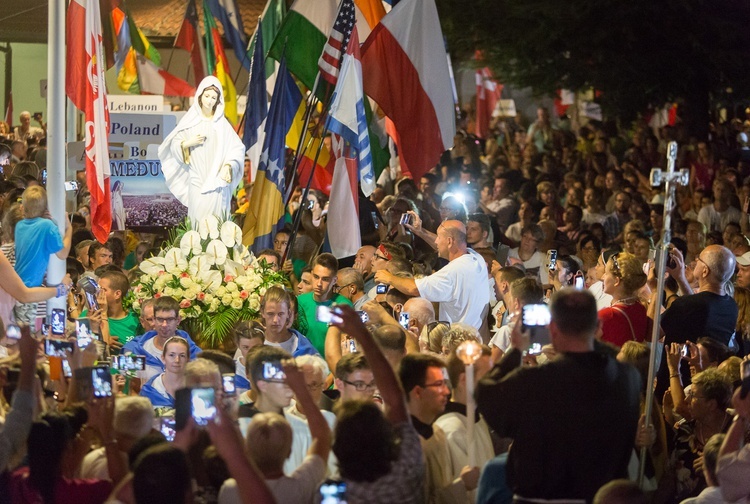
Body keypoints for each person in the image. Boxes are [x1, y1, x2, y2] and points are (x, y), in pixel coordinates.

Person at [476, 289, 641, 502]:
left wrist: (516, 351)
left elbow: (486, 394)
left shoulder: (536, 381)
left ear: (552, 329)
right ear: (599, 327)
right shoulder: (628, 377)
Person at [328, 304, 426, 503]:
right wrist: (362, 332)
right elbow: (395, 400)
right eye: (359, 384)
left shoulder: (341, 494)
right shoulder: (408, 464)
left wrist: (334, 325)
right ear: (385, 434)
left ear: (339, 448)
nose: (368, 389)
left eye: (370, 383)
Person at [655, 245, 738, 401]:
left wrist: (654, 287)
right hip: (705, 388)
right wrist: (680, 278)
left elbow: (652, 333)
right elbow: (700, 304)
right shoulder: (731, 307)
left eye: (698, 259)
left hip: (675, 386)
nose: (694, 261)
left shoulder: (686, 305)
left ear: (705, 271)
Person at [158, 76, 245, 223]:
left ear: (218, 100)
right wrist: (187, 143)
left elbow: (237, 149)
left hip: (217, 182)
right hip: (197, 180)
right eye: (207, 96)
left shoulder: (222, 125)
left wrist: (229, 166)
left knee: (217, 221)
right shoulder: (190, 122)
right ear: (200, 96)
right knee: (198, 221)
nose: (210, 100)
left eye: (214, 97)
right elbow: (174, 144)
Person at [375, 220, 489, 328]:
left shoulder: (452, 272)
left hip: (457, 339)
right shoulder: (476, 258)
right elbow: (450, 248)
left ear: (449, 241)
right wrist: (421, 232)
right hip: (474, 335)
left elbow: (414, 288)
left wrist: (389, 277)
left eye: (439, 237)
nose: (436, 241)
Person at [435, 346, 495, 489]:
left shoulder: (478, 418)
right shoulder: (451, 430)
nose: (494, 383)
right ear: (464, 379)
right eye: (488, 376)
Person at [13, 185, 72, 325]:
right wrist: (69, 229)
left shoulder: (19, 225)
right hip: (31, 291)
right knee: (30, 339)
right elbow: (63, 254)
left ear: (23, 207)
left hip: (19, 286)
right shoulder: (47, 226)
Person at [123, 296, 201, 380]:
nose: (164, 325)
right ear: (154, 320)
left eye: (170, 319)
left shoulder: (193, 352)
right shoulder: (137, 349)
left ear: (178, 320)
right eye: (160, 319)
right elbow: (128, 384)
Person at [296, 253, 352, 355]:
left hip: (331, 367)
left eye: (325, 279)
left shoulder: (344, 305)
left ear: (334, 280)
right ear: (312, 274)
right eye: (316, 277)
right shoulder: (300, 301)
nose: (319, 284)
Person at [598, 252, 649, 347]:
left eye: (606, 273)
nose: (602, 277)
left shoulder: (606, 316)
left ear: (616, 281)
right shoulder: (640, 308)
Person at [260, 285, 318, 357]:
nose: (275, 320)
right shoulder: (250, 344)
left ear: (289, 314)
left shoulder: (304, 347)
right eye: (270, 314)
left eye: (281, 314)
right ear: (262, 312)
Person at [139, 336, 190, 409]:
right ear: (163, 358)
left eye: (182, 355)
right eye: (172, 355)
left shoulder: (196, 390)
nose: (177, 360)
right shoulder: (149, 390)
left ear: (188, 359)